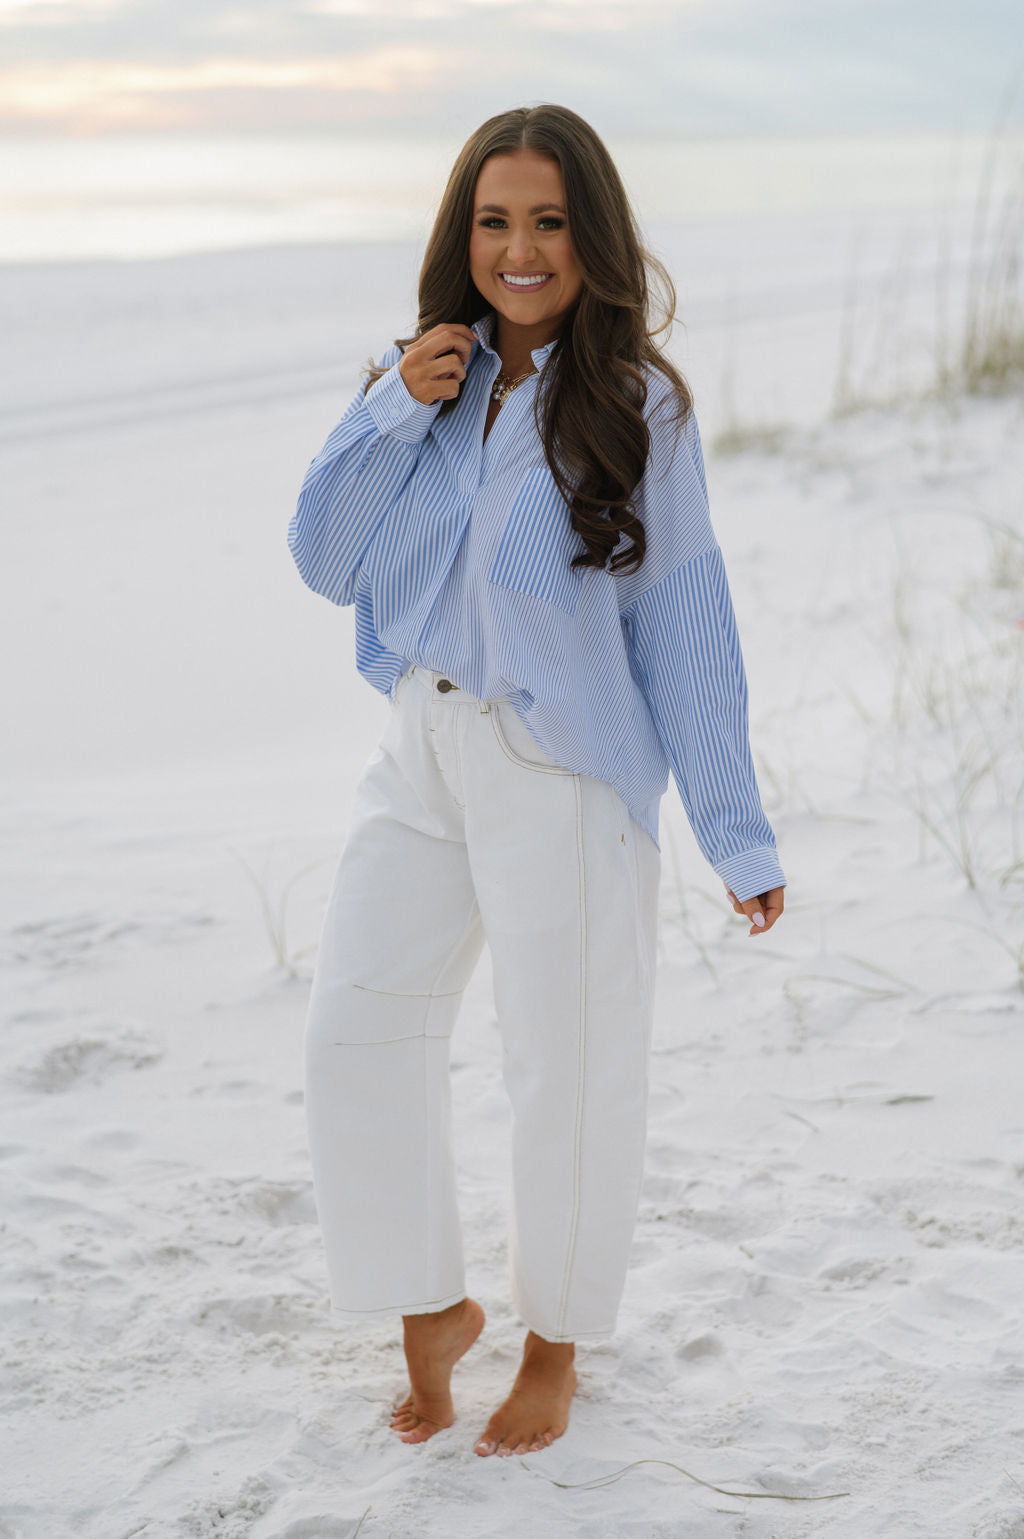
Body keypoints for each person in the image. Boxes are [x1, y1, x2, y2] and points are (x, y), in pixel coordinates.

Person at [287, 102, 786, 1460]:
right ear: (463, 235)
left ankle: (557, 1343)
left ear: (592, 239)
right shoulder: (416, 388)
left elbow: (686, 624)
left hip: (558, 772)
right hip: (419, 745)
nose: (520, 248)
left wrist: (737, 835)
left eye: (549, 221)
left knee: (563, 1070)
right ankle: (430, 1308)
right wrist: (391, 409)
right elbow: (326, 558)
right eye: (495, 220)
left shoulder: (639, 406)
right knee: (357, 1034)